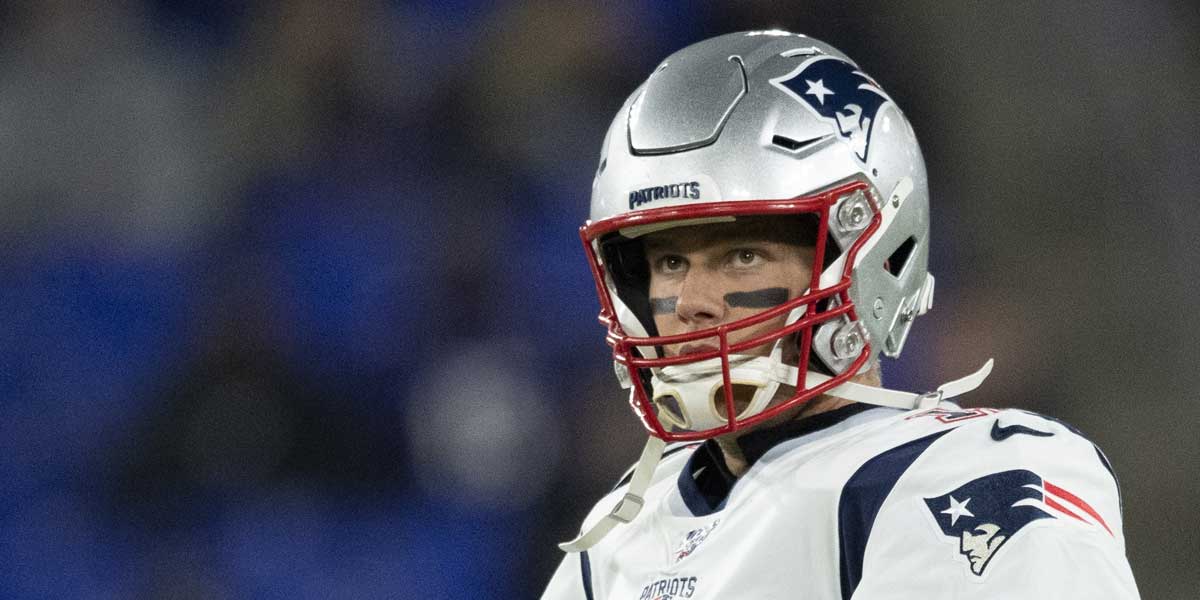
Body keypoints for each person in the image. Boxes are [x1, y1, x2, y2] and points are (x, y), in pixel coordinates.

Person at [542, 31, 1140, 599]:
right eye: (670, 262)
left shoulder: (966, 475)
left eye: (742, 256)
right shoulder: (620, 536)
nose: (691, 300)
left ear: (866, 260)